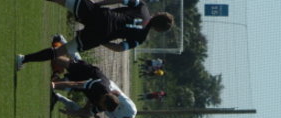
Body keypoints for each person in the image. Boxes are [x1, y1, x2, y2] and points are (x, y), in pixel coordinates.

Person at [16, 0, 174, 70]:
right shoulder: (141, 38)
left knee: (62, 0)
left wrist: (98, 4)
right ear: (158, 30)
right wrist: (103, 41)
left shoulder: (143, 7)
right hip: (100, 35)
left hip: (102, 15)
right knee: (60, 52)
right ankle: (23, 59)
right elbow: (119, 48)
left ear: (158, 14)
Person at [51, 57, 143, 118]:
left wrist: (93, 110)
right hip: (104, 88)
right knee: (62, 64)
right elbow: (116, 93)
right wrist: (103, 97)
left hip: (103, 102)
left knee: (85, 114)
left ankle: (58, 96)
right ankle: (66, 59)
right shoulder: (131, 109)